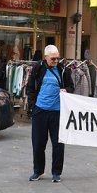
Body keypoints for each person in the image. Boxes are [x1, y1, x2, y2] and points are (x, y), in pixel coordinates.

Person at [27, 45, 74, 183]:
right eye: (53, 58)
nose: (56, 61)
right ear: (46, 57)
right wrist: (33, 106)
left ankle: (56, 172)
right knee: (38, 143)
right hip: (40, 111)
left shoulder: (63, 69)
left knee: (58, 144)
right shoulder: (37, 69)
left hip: (58, 112)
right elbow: (30, 87)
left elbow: (71, 86)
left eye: (58, 58)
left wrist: (67, 90)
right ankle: (38, 171)